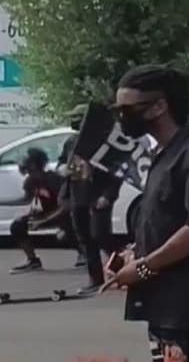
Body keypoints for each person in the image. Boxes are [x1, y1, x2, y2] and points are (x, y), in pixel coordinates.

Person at [105, 64, 189, 362]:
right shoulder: (163, 154)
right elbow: (164, 222)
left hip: (186, 307)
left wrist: (143, 267)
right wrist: (133, 254)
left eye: (127, 109)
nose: (121, 117)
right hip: (163, 306)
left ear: (159, 106)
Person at [60, 103, 125, 295]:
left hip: (98, 197)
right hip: (78, 196)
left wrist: (108, 196)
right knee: (85, 239)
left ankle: (125, 266)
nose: (73, 122)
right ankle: (95, 279)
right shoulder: (71, 143)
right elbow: (62, 163)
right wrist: (62, 172)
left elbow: (116, 173)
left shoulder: (105, 144)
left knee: (101, 236)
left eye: (77, 118)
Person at [9, 147, 71, 273]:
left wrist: (43, 221)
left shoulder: (53, 179)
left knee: (68, 230)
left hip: (63, 214)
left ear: (33, 164)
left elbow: (66, 206)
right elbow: (27, 200)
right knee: (17, 225)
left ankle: (83, 255)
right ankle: (32, 261)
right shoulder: (29, 182)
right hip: (45, 215)